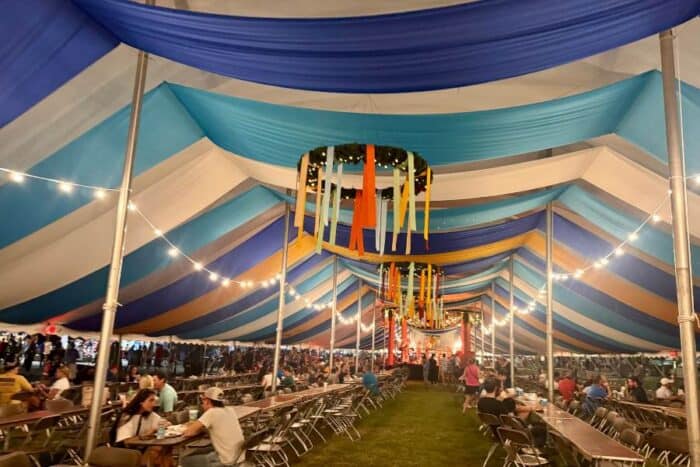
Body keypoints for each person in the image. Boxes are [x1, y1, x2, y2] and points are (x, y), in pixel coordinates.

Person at [182, 387, 245, 467]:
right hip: (238, 457)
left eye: (203, 401)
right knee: (201, 450)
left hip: (226, 461)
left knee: (184, 460)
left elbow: (188, 432)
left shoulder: (211, 413)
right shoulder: (230, 410)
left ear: (207, 401)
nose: (202, 404)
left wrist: (192, 427)